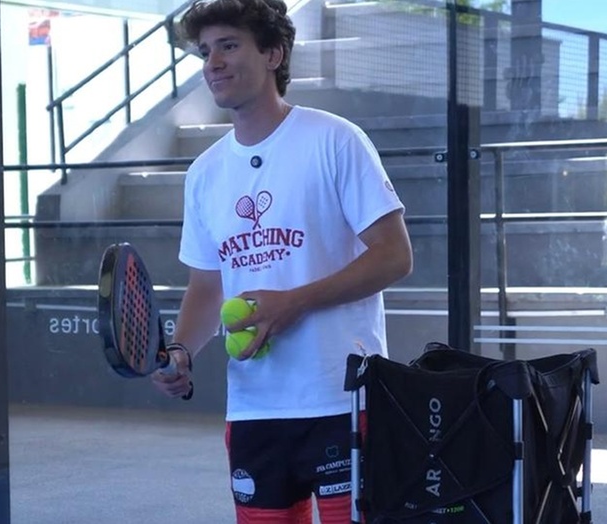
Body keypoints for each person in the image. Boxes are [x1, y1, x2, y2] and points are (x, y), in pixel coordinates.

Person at [151, 0, 413, 522]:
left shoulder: (335, 140)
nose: (213, 62)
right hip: (254, 411)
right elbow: (207, 285)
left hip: (342, 402)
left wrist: (292, 303)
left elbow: (394, 256)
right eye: (205, 51)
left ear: (274, 53)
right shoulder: (203, 174)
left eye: (229, 45)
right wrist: (181, 350)